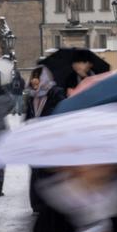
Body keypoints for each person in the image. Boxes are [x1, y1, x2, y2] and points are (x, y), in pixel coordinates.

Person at [26, 66, 68, 213]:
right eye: (33, 76)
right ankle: (36, 204)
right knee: (35, 171)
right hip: (34, 139)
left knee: (48, 171)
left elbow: (61, 113)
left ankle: (51, 202)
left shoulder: (56, 93)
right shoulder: (31, 96)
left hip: (50, 138)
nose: (34, 80)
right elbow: (28, 116)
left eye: (37, 76)